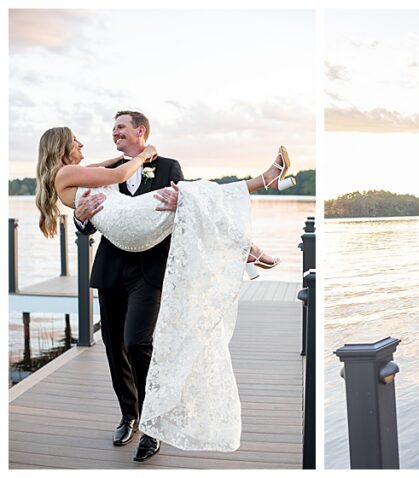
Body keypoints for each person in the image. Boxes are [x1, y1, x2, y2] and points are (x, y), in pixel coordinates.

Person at [36, 112, 295, 462]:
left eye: (120, 127)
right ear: (63, 148)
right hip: (114, 265)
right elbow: (94, 209)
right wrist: (82, 219)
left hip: (149, 265)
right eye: (110, 129)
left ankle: (152, 424)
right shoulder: (94, 172)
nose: (111, 133)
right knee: (116, 350)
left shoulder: (167, 165)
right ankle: (130, 417)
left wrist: (166, 190)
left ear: (140, 130)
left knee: (137, 342)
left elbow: (175, 211)